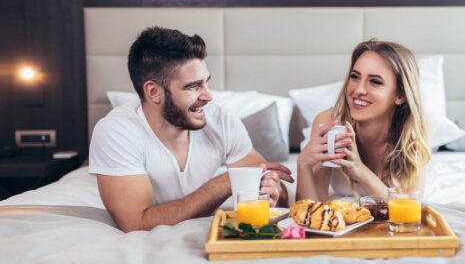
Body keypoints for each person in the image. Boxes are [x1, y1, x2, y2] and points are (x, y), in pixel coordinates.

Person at [89, 26, 293, 232]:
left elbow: (280, 195)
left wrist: (273, 191)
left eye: (206, 82)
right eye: (193, 86)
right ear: (153, 92)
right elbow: (136, 223)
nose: (208, 96)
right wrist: (223, 184)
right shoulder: (116, 132)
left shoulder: (222, 121)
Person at [296, 40, 430, 201]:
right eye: (355, 77)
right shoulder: (330, 123)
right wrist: (303, 165)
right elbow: (311, 209)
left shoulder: (415, 129)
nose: (358, 90)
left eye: (375, 81)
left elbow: (410, 209)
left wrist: (360, 170)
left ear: (400, 95)